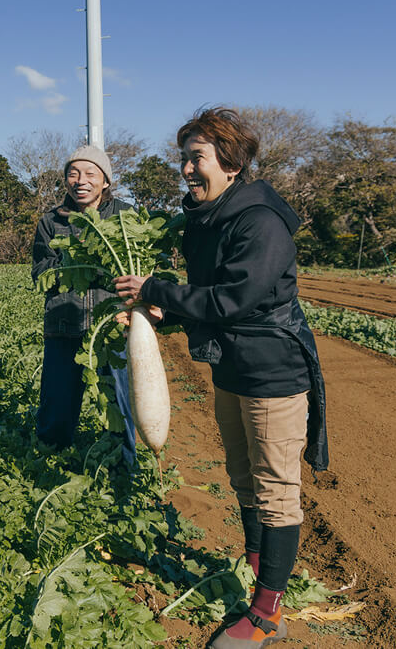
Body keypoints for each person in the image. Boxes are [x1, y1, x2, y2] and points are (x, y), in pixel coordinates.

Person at [115, 107, 327, 649]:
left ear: (230, 163)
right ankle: (261, 576)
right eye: (183, 158)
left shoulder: (259, 220)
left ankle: (265, 615)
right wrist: (161, 316)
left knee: (277, 492)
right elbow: (208, 303)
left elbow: (235, 299)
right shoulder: (207, 218)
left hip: (272, 370)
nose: (186, 169)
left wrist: (157, 291)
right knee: (242, 479)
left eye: (197, 157)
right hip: (232, 367)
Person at [31, 144, 137, 463]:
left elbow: (139, 271)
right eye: (73, 174)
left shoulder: (124, 216)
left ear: (105, 181)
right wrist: (72, 260)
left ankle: (123, 467)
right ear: (65, 181)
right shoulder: (51, 221)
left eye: (91, 173)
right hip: (65, 326)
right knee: (57, 406)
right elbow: (39, 273)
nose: (81, 180)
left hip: (112, 327)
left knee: (121, 404)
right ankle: (50, 463)